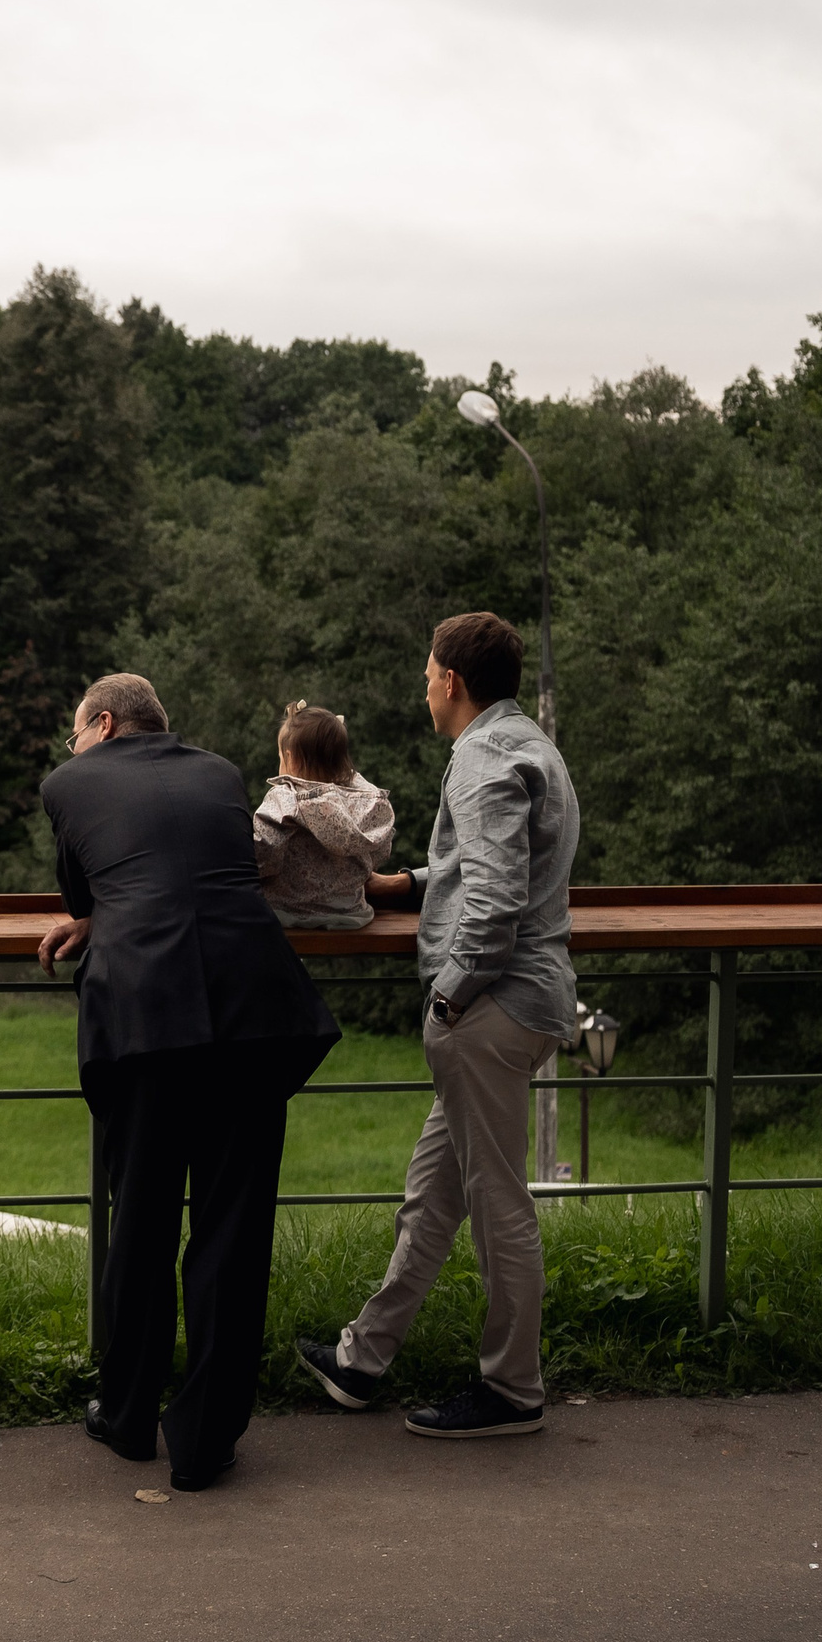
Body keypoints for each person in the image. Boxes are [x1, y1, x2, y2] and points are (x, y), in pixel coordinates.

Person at [37, 673, 338, 1492]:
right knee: (232, 1230)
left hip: (145, 1014)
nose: (72, 750)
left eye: (76, 733)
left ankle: (127, 1414)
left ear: (101, 723)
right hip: (253, 1006)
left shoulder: (67, 783)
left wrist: (99, 913)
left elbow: (87, 888)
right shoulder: (218, 773)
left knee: (140, 1218)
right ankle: (205, 1440)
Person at [297, 612, 579, 1439]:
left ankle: (512, 1390)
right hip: (517, 1003)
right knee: (433, 1196)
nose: (423, 688)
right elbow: (488, 868)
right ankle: (362, 1359)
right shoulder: (525, 739)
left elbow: (494, 899)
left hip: (489, 1008)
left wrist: (449, 997)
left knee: (499, 1205)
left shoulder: (480, 758)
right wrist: (408, 882)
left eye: (426, 674)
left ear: (450, 681)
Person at [253, 700, 395, 929]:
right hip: (351, 911)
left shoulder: (286, 798)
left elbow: (262, 854)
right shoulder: (367, 801)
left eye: (280, 757)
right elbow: (381, 850)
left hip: (288, 911)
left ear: (292, 759)